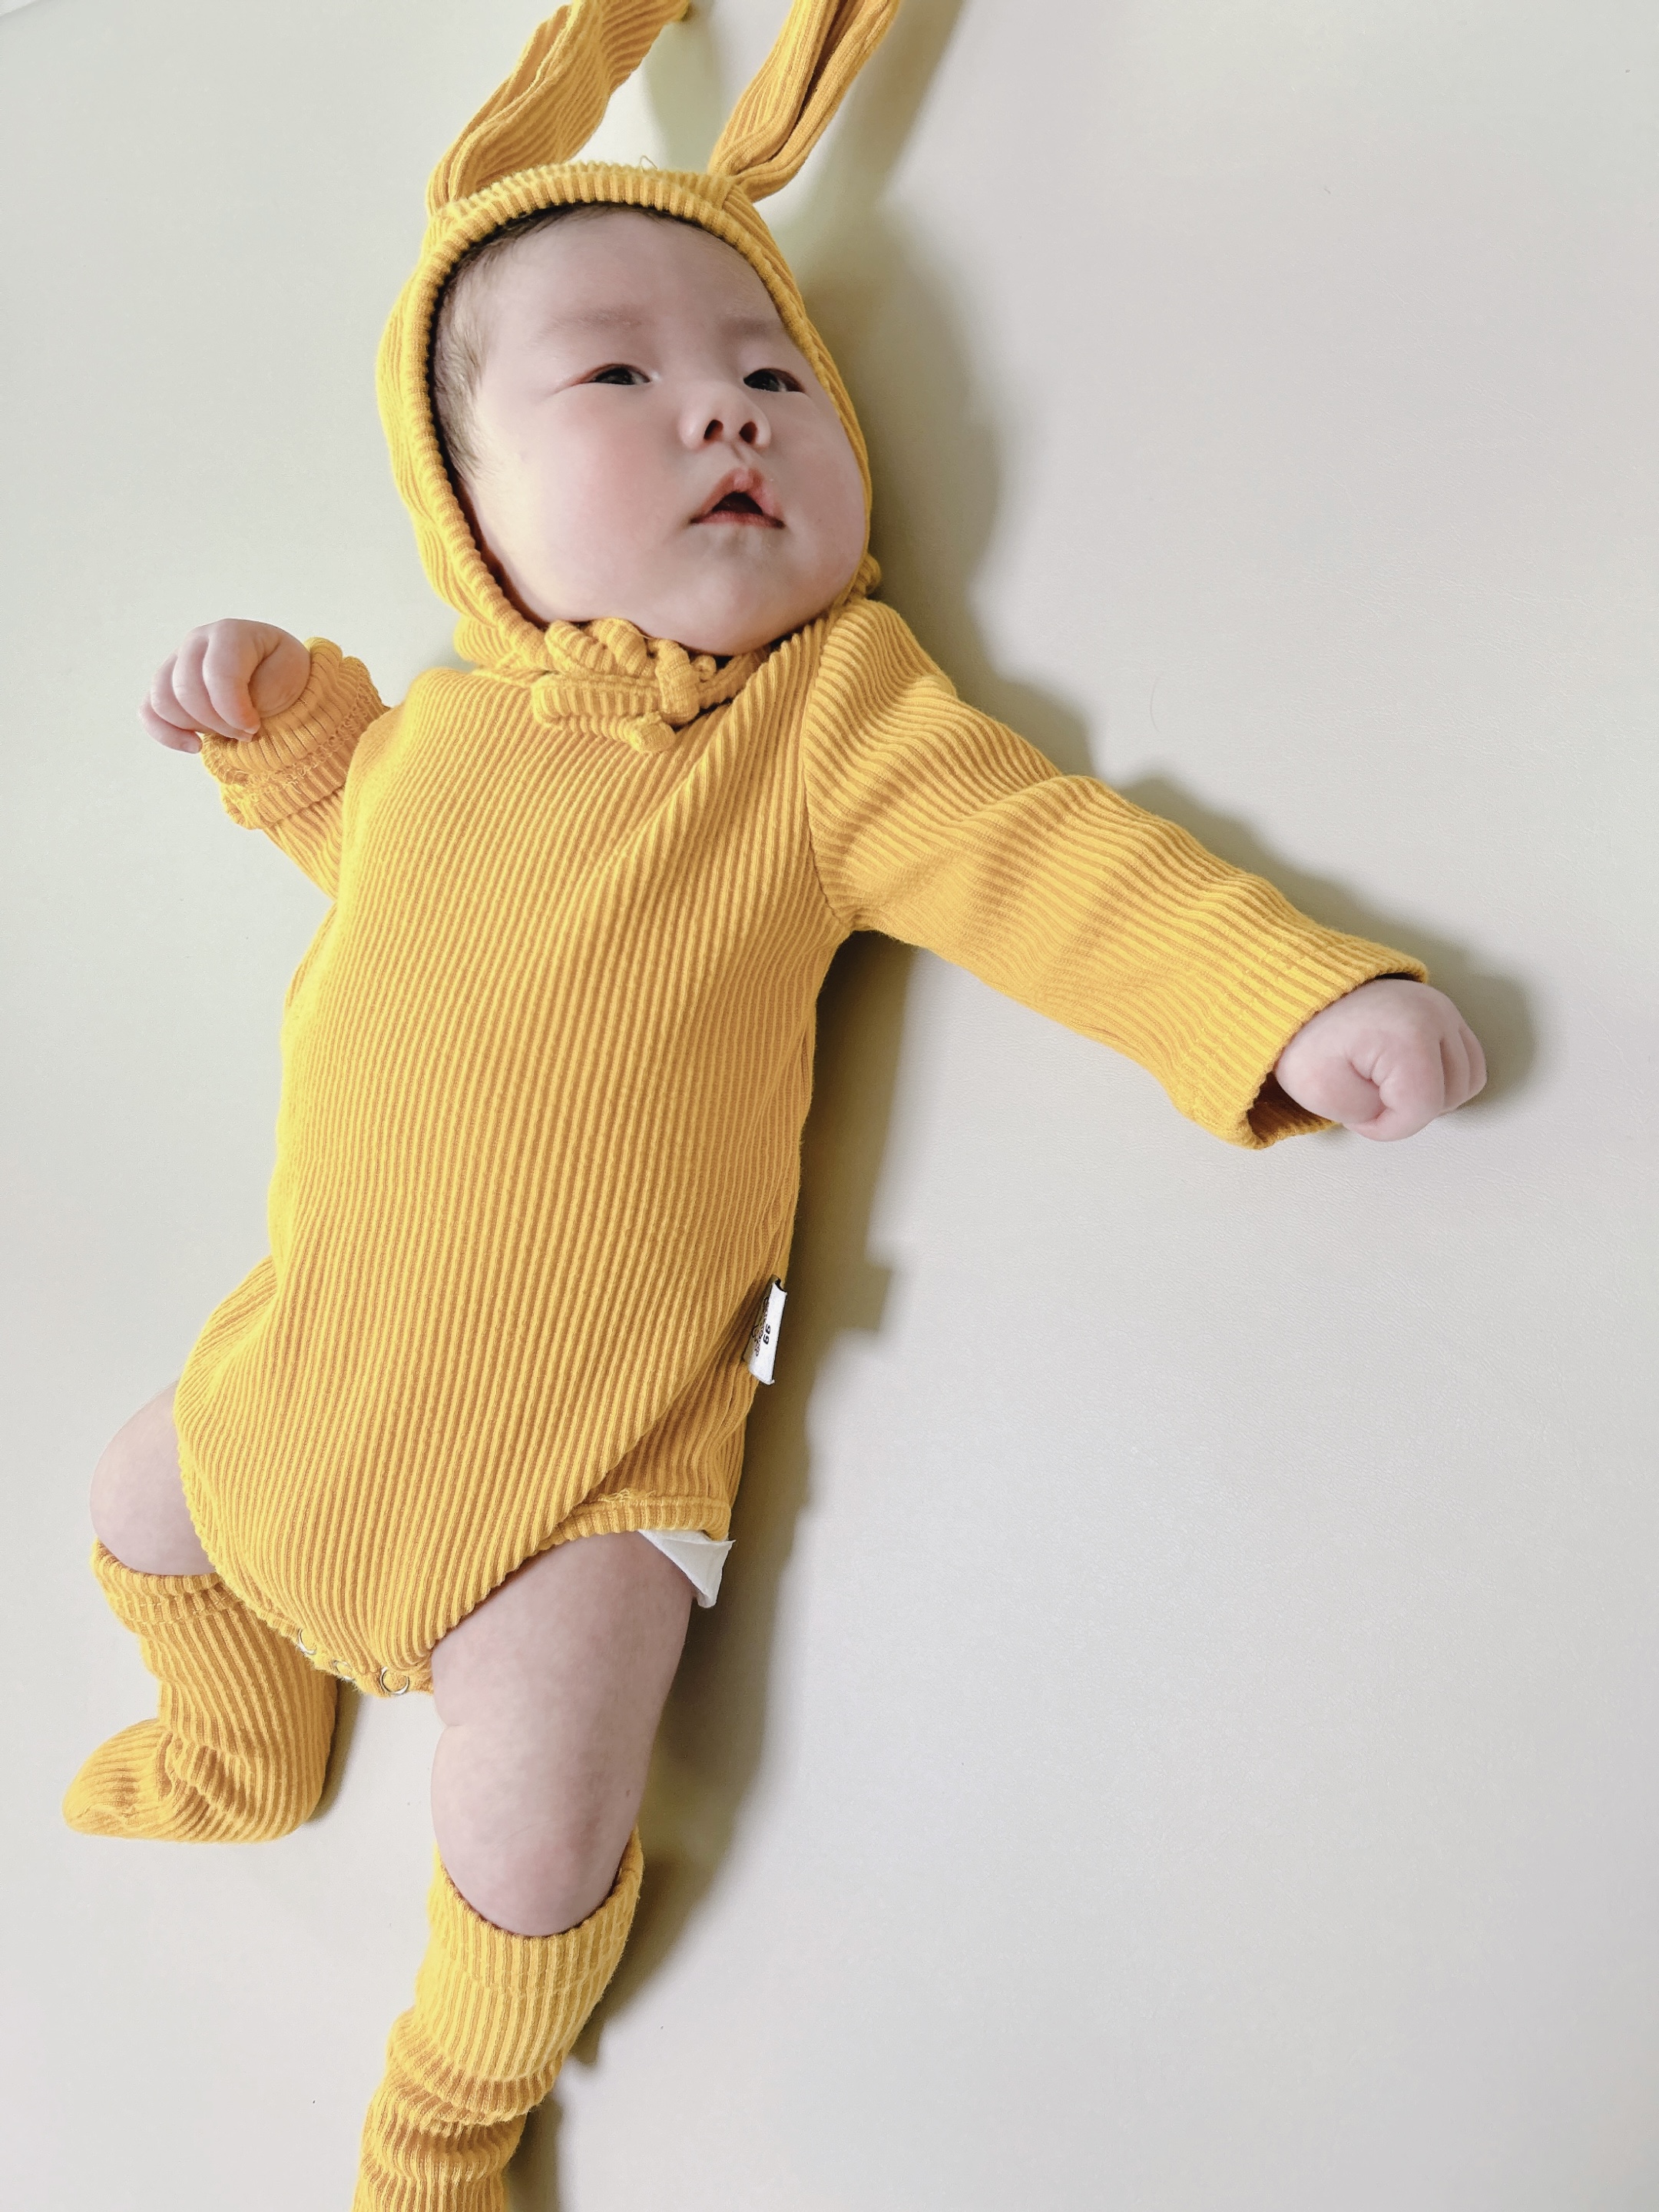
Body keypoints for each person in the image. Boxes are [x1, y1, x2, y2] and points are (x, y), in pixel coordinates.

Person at [62, 1, 1485, 2204]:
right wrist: (282, 737)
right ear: (467, 507)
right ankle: (235, 1739)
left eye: (772, 375)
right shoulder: (443, 738)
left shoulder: (826, 727)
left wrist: (1285, 999)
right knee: (143, 1504)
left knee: (531, 1832)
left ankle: (447, 2116)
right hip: (308, 1360)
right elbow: (378, 857)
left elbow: (1048, 865)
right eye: (615, 378)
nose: (722, 406)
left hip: (581, 1476)